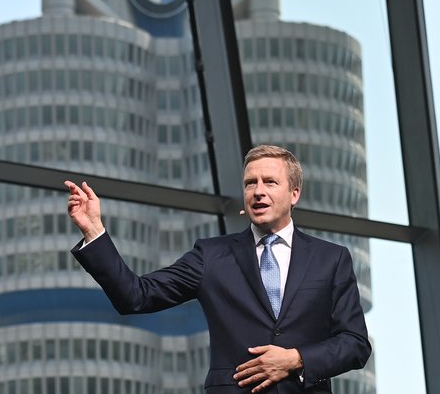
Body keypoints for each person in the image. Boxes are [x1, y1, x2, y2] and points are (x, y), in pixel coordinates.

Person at [65, 145, 371, 393]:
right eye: (250, 183)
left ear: (294, 194)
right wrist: (94, 231)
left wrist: (296, 359)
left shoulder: (331, 259)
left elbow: (355, 344)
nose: (258, 191)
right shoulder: (211, 256)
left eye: (270, 182)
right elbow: (136, 296)